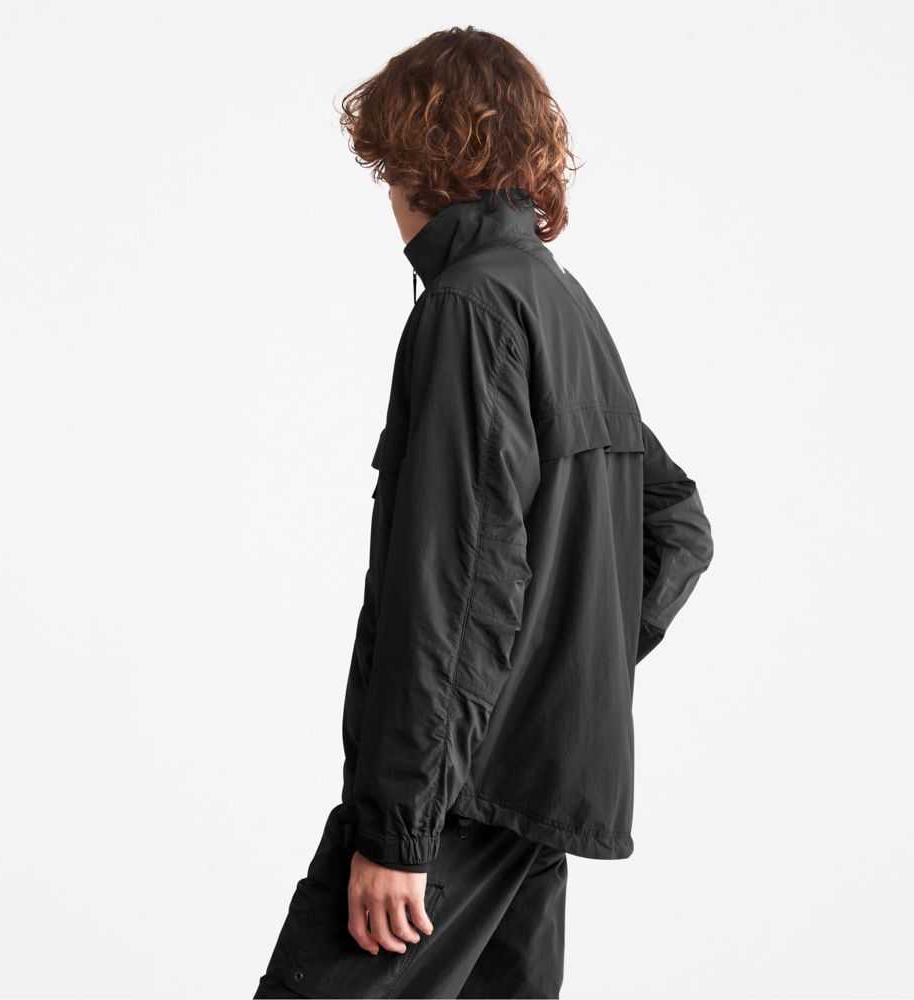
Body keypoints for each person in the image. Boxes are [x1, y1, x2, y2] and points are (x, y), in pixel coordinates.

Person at [254, 26, 714, 1000]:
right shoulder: (563, 306)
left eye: (386, 163)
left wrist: (400, 831)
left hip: (455, 802)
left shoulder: (469, 308)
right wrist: (556, 674)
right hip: (527, 804)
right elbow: (675, 526)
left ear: (415, 161)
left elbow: (457, 588)